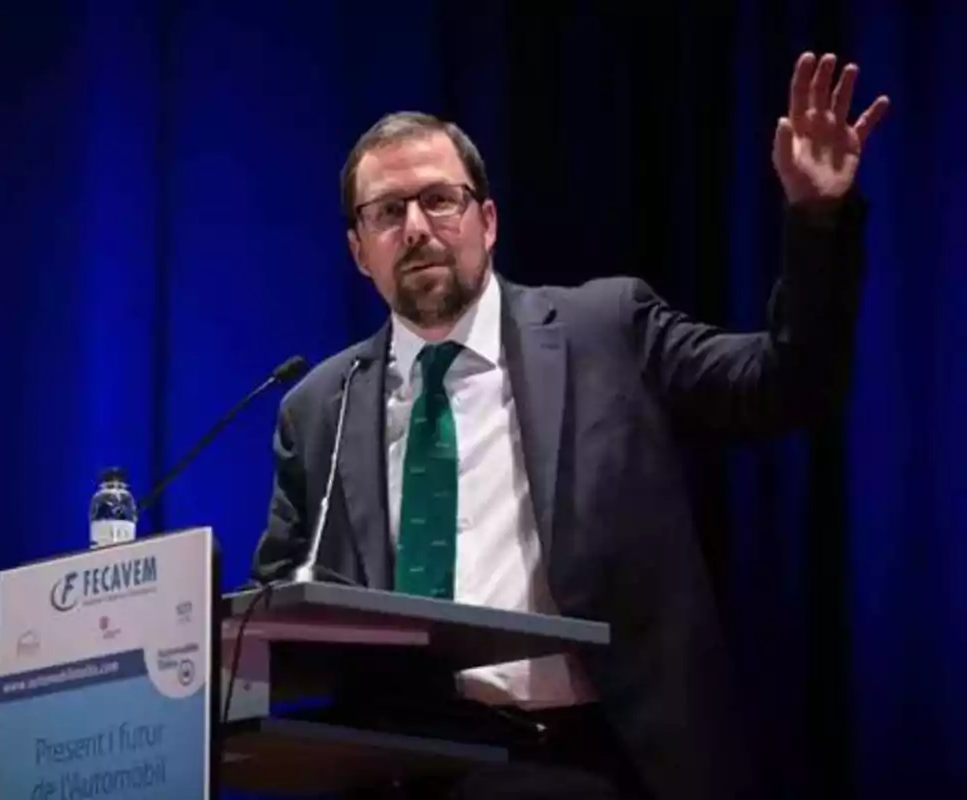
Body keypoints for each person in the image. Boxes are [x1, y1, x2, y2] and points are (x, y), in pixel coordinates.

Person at [251, 51, 889, 800]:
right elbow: (281, 602)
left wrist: (817, 222)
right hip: (399, 770)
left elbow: (789, 386)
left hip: (585, 760)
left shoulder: (606, 329)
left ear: (487, 222)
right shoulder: (319, 404)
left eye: (439, 201)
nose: (417, 228)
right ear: (359, 251)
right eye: (388, 212)